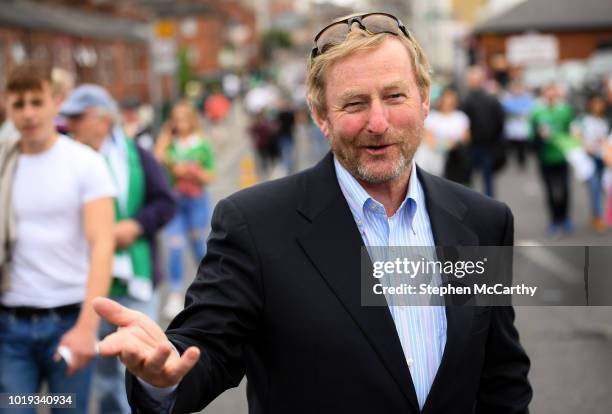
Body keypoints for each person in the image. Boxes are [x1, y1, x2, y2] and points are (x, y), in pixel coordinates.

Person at [94, 12, 532, 414]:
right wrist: (164, 374)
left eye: (394, 95)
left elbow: (501, 379)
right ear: (321, 116)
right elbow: (206, 348)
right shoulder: (256, 225)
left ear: (424, 100)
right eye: (355, 104)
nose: (378, 121)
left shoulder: (482, 221)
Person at [0, 62, 115, 413]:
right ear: (7, 106)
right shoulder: (4, 161)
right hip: (11, 327)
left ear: (56, 102)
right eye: (19, 104)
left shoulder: (84, 162)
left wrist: (86, 327)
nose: (29, 113)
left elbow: (103, 244)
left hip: (68, 322)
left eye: (37, 102)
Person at [60, 84, 176, 414]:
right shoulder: (68, 160)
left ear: (101, 120)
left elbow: (165, 202)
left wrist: (135, 226)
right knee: (103, 374)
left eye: (77, 118)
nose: (70, 126)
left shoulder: (137, 154)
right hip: (89, 282)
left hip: (135, 279)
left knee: (139, 366)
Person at [154, 101, 215, 319]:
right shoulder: (170, 144)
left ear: (191, 120)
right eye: (175, 119)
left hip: (196, 201)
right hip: (175, 202)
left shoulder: (201, 144)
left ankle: (210, 289)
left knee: (199, 245)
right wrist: (165, 135)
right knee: (175, 246)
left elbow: (210, 175)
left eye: (183, 118)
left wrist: (193, 173)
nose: (179, 123)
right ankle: (176, 294)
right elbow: (157, 158)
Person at [530, 83, 575, 235]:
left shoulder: (565, 110)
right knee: (549, 190)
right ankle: (554, 220)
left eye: (553, 92)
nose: (550, 95)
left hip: (562, 156)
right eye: (547, 92)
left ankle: (565, 218)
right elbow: (530, 136)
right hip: (545, 158)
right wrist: (538, 136)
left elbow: (572, 131)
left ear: (557, 93)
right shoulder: (537, 112)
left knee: (565, 189)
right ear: (544, 94)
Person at [461, 66, 505, 197]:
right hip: (486, 144)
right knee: (487, 177)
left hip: (475, 144)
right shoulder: (491, 99)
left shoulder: (466, 100)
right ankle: (488, 203)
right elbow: (500, 122)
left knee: (469, 177)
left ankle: (470, 203)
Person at [571, 94, 610, 233]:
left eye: (600, 104)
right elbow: (574, 132)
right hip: (587, 159)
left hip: (602, 158)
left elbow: (605, 138)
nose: (598, 106)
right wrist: (584, 144)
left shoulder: (604, 121)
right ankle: (598, 217)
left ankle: (595, 215)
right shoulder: (583, 119)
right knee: (594, 188)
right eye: (595, 103)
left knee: (600, 188)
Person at [423, 87, 471, 184]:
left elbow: (466, 138)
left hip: (457, 161)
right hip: (435, 161)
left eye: (451, 99)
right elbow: (429, 139)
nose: (448, 102)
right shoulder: (432, 117)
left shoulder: (461, 117)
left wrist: (454, 144)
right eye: (446, 98)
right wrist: (445, 145)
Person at [502, 80, 534, 169]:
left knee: (522, 145)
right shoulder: (507, 98)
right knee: (515, 145)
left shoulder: (527, 97)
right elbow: (505, 109)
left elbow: (530, 110)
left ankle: (522, 161)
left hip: (523, 126)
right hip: (513, 127)